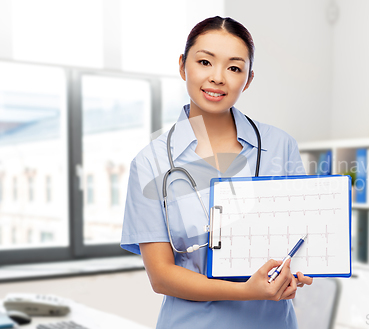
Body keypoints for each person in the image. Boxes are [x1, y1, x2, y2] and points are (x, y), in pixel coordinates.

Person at [121, 16, 313, 329]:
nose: (217, 77)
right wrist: (245, 291)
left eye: (234, 68)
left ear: (248, 79)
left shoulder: (280, 146)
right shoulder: (150, 164)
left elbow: (301, 237)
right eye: (205, 62)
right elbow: (161, 276)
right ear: (183, 66)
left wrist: (301, 269)